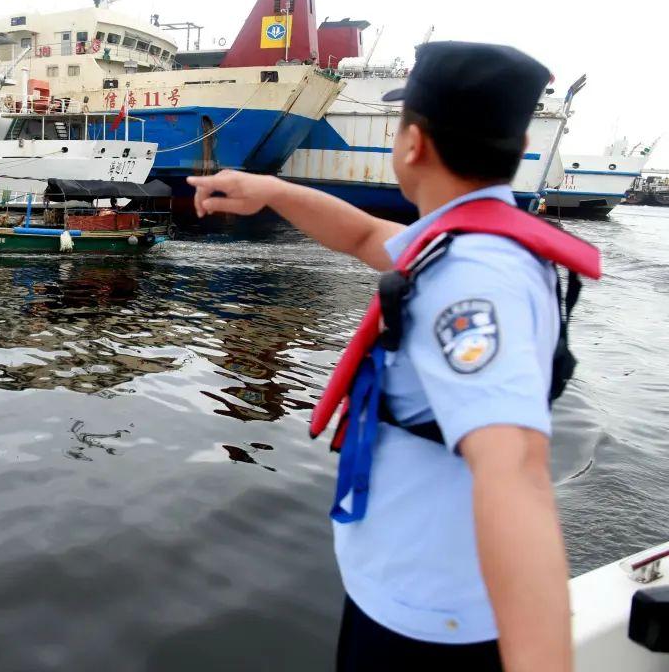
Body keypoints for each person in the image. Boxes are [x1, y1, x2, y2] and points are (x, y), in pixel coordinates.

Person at [188, 41, 601, 671]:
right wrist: (269, 189)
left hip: (432, 629)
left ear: (411, 144)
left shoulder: (472, 282)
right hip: (407, 600)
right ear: (518, 152)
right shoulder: (472, 240)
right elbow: (364, 236)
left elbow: (515, 472)